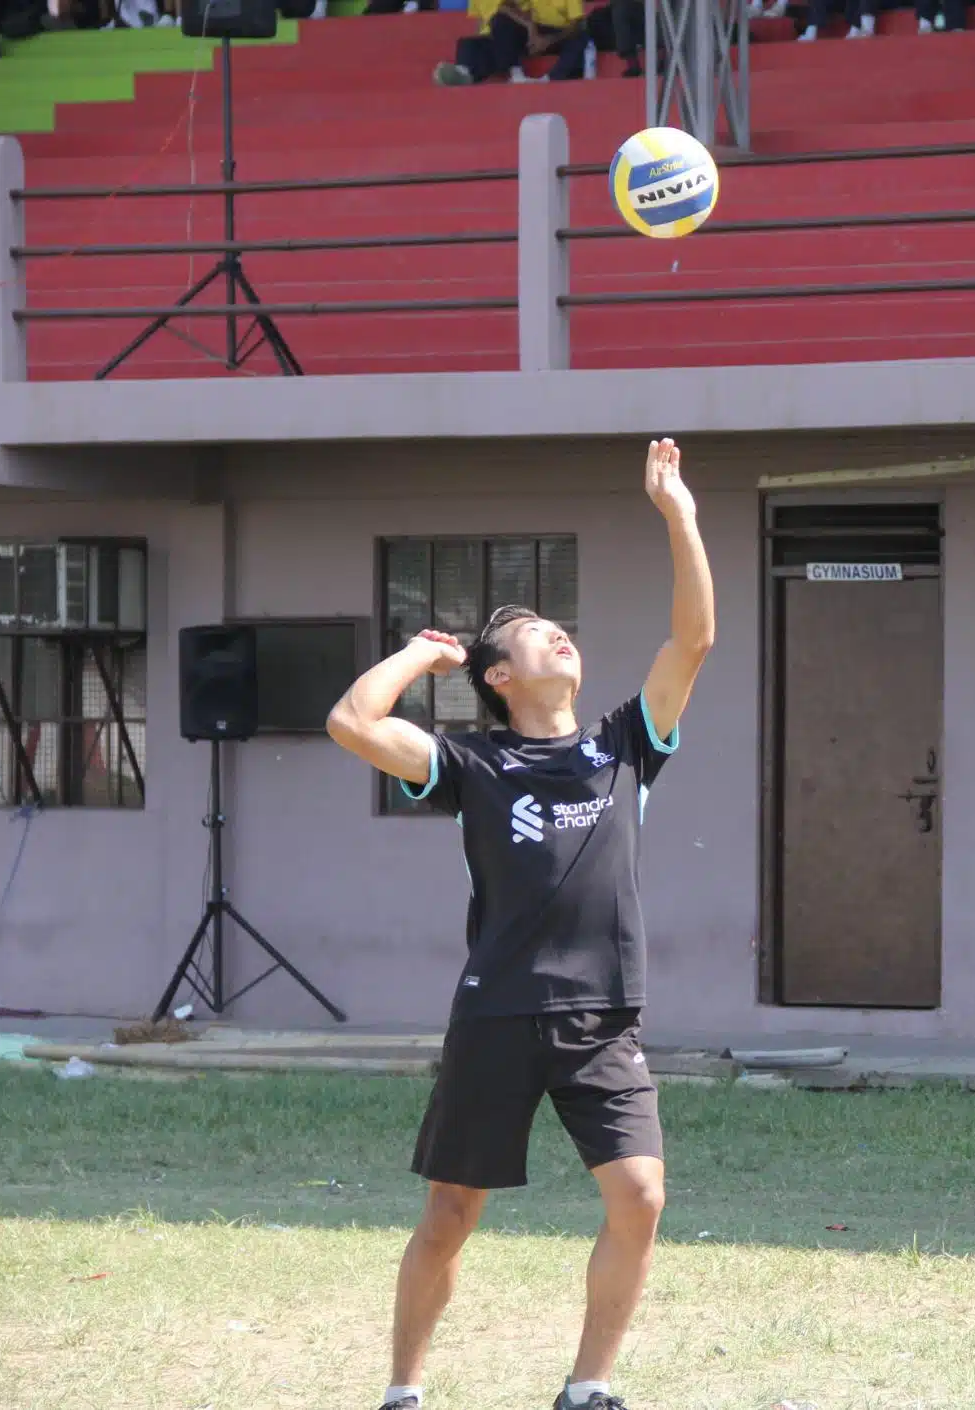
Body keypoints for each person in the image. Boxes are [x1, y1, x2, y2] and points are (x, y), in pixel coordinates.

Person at [326, 439, 715, 1410]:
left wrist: (680, 516)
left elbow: (693, 641)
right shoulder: (470, 766)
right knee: (451, 1214)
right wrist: (421, 655)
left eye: (561, 629)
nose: (559, 638)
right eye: (537, 635)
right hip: (497, 1011)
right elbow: (351, 722)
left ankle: (588, 1388)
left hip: (602, 1016)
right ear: (499, 677)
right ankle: (403, 1391)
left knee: (641, 1195)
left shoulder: (625, 746)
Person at [433, 0, 585, 85]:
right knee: (467, 43)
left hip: (552, 32)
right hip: (522, 33)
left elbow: (578, 24)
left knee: (580, 38)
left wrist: (542, 37)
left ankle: (548, 79)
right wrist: (531, 29)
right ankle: (464, 73)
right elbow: (485, 18)